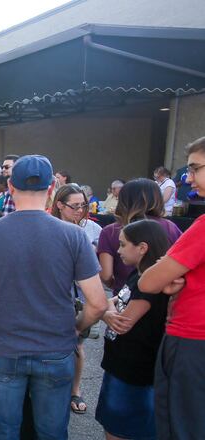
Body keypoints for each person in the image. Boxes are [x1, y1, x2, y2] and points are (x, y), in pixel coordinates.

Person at [0, 155, 107, 439]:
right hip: (55, 347)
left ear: (10, 187)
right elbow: (98, 303)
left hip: (4, 347)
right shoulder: (74, 235)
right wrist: (75, 328)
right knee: (51, 431)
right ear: (52, 188)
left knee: (4, 429)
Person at [139, 136, 205, 440]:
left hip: (192, 339)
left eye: (194, 168)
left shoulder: (201, 227)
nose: (187, 178)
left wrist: (170, 274)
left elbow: (149, 281)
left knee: (183, 426)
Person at [94, 220, 170, 440]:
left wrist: (107, 311)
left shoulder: (149, 282)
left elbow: (122, 322)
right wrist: (108, 310)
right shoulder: (138, 275)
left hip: (134, 371)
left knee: (120, 429)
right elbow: (113, 301)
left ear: (142, 247)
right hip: (121, 366)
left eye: (123, 245)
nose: (118, 251)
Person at [50, 183, 102, 415]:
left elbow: (95, 271)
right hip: (55, 296)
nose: (80, 210)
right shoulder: (50, 228)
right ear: (59, 205)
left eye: (83, 205)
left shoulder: (90, 228)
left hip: (81, 295)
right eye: (74, 206)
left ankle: (75, 389)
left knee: (78, 345)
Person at [97, 178, 182, 293]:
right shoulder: (170, 227)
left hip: (125, 297)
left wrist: (122, 287)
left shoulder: (110, 231)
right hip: (162, 296)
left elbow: (106, 276)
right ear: (157, 199)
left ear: (123, 200)